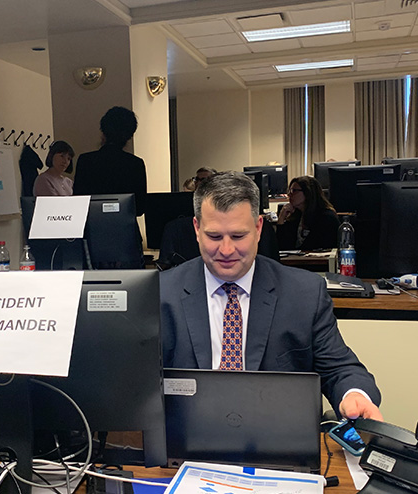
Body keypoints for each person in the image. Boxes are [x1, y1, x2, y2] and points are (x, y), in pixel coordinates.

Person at [160, 172, 382, 420]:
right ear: (197, 229)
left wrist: (355, 396)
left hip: (278, 443)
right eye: (214, 236)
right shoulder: (161, 294)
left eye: (238, 236)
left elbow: (341, 369)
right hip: (186, 442)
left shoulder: (304, 293)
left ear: (258, 228)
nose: (226, 250)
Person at [73, 106, 147, 216]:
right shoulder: (135, 164)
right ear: (129, 136)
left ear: (103, 131)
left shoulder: (85, 161)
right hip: (125, 228)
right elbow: (140, 208)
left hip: (93, 226)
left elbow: (79, 201)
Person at [276, 176, 340, 251]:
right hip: (294, 261)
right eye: (289, 191)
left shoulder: (326, 217)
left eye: (294, 191)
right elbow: (281, 247)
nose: (289, 195)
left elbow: (312, 246)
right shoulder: (295, 216)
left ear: (307, 193)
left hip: (318, 261)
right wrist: (281, 219)